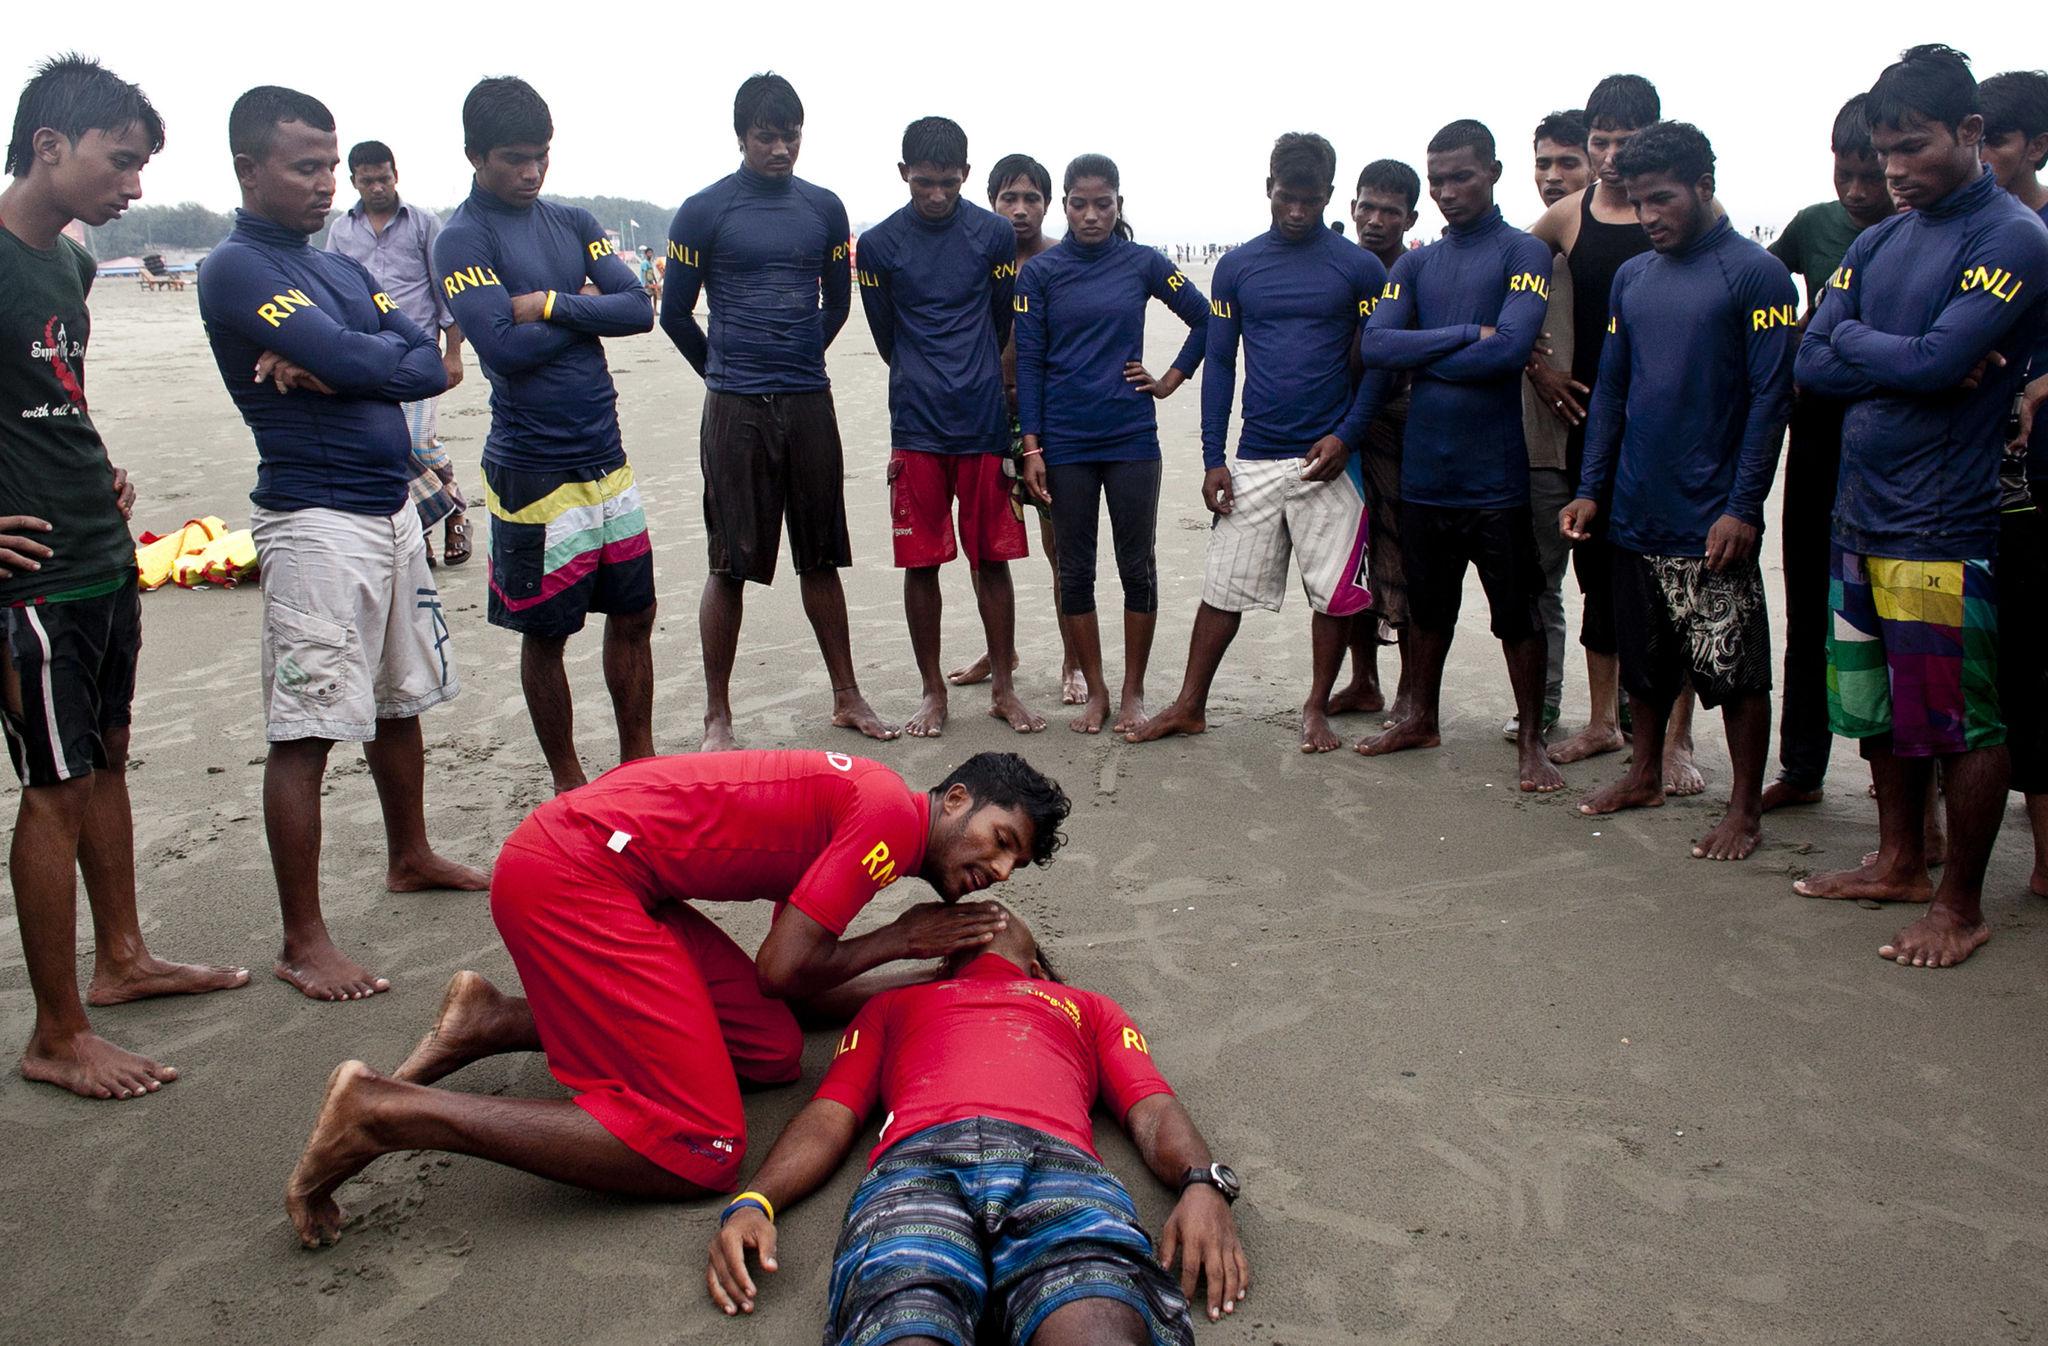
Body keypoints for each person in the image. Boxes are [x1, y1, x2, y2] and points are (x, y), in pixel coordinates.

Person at [283, 750, 1071, 1245]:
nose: (999, 871)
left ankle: (490, 1020)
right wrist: (904, 939)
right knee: (704, 1148)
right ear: (958, 797)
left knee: (768, 1051)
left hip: (616, 870)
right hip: (575, 874)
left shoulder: (880, 807)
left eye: (1016, 867)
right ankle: (385, 1112)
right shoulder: (892, 824)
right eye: (1002, 841)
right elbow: (784, 969)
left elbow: (796, 982)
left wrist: (923, 971)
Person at [198, 86, 487, 1002]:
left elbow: (424, 358)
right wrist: (358, 360)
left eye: (331, 166)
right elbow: (385, 360)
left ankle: (410, 854)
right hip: (316, 521)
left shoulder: (331, 264)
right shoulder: (238, 269)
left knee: (400, 700)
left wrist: (342, 364)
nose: (327, 184)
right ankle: (303, 938)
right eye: (305, 167)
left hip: (389, 511)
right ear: (249, 170)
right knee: (310, 724)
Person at [0, 55, 248, 1100]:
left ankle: (124, 957)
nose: (135, 187)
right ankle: (57, 1031)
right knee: (53, 788)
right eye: (122, 161)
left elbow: (50, 389)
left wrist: (95, 463)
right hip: (34, 582)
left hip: (98, 549)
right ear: (50, 146)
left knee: (104, 758)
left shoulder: (64, 262)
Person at [703, 908, 1249, 1343]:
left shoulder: (1085, 1006)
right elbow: (829, 1115)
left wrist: (1203, 1182)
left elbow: (1151, 1108)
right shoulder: (892, 1006)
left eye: (1002, 920)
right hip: (918, 1167)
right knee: (899, 1326)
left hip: (1053, 1164)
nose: (991, 918)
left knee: (1101, 1321)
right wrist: (757, 1201)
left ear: (1038, 967)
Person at [1791, 45, 2048, 967]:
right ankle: (1900, 859)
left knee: (1961, 719)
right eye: (1882, 151)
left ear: (1972, 133)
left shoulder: (2009, 236)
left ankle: (1959, 904)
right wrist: (1898, 352)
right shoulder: (1878, 239)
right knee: (1878, 706)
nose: (1894, 170)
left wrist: (1864, 341)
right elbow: (1808, 366)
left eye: (1913, 147)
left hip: (1946, 521)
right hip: (1861, 514)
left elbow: (1939, 362)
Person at [1559, 122, 1798, 860]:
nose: (1651, 215)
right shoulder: (1634, 278)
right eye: (1637, 202)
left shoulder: (1755, 275)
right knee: (1644, 660)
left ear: (1703, 186)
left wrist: (1742, 507)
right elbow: (1611, 393)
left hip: (1708, 521)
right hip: (1634, 508)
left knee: (1733, 671)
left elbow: (1769, 400)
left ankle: (1743, 812)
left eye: (1662, 199)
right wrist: (1593, 487)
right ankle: (1643, 772)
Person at [434, 77, 657, 796]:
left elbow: (639, 311)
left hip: (605, 453)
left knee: (635, 610)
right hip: (533, 466)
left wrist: (551, 305)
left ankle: (639, 763)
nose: (531, 172)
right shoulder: (463, 238)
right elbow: (501, 349)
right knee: (548, 631)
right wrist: (586, 310)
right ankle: (570, 783)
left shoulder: (574, 220)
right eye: (513, 159)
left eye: (542, 156)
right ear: (474, 155)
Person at [1128, 133, 1386, 752]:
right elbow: (1220, 363)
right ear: (1267, 187)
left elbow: (1380, 363)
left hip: (1329, 460)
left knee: (1334, 594)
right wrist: (1213, 457)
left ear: (1330, 196)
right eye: (1285, 197)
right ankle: (1190, 704)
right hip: (1256, 455)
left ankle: (1316, 707)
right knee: (1223, 588)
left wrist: (1348, 437)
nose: (1296, 210)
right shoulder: (1237, 267)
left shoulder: (1359, 268)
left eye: (1310, 199)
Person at [663, 73, 894, 750]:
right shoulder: (703, 212)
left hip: (807, 401)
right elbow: (675, 312)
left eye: (790, 135)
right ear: (741, 137)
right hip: (733, 407)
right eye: (766, 136)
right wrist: (725, 371)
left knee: (820, 554)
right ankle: (717, 716)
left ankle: (848, 695)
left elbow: (837, 301)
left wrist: (795, 357)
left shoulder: (824, 209)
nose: (780, 149)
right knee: (729, 562)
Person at [1348, 120, 1563, 793]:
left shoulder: (1524, 254)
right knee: (1426, 609)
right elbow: (1376, 348)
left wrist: (1435, 353)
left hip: (1495, 476)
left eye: (1460, 176)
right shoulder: (1415, 263)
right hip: (1427, 475)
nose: (1446, 191)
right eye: (1436, 179)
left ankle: (1532, 740)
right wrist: (1470, 331)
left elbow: (1512, 352)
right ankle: (1419, 716)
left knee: (1517, 612)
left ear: (1493, 172)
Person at [1531, 74, 1701, 794]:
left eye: (1622, 141)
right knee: (1597, 575)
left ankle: (1677, 740)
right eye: (1598, 139)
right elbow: (1512, 275)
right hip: (1583, 422)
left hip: (1663, 425)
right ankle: (1602, 719)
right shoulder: (1569, 216)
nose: (1606, 154)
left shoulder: (1682, 213)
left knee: (1675, 583)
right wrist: (1538, 363)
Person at [856, 118, 1043, 738]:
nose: (936, 195)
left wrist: (971, 373)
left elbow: (997, 320)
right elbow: (886, 334)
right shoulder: (879, 245)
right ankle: (933, 691)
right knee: (922, 563)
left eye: (947, 182)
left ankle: (1004, 688)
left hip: (983, 421)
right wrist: (925, 371)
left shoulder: (991, 233)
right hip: (916, 422)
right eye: (924, 183)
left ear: (966, 173)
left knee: (993, 560)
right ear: (903, 172)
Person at [1015, 154, 1208, 735]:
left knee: (1137, 567)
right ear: (1065, 204)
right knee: (1075, 571)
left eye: (1104, 204)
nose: (1091, 215)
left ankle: (1132, 693)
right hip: (1065, 442)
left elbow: (1207, 318)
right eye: (1080, 204)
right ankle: (1096, 690)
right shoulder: (1039, 275)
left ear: (1119, 204)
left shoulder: (1144, 263)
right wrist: (1031, 447)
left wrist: (1170, 380)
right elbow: (1028, 361)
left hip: (1130, 438)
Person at [1760, 95, 1893, 813]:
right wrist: (1792, 334)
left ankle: (1909, 785)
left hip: (1894, 447)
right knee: (1809, 609)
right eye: (1847, 173)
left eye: (1873, 174)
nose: (1859, 191)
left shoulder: (1917, 231)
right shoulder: (1816, 225)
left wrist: (1829, 344)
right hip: (1815, 440)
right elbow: (1761, 279)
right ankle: (1803, 768)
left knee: (1890, 613)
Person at [948, 153, 1086, 705]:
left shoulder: (1060, 261)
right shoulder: (978, 260)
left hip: (1051, 423)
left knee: (1062, 549)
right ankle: (1000, 652)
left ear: (1048, 205)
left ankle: (1073, 662)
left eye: (1032, 198)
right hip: (987, 417)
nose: (1020, 209)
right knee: (987, 550)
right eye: (1009, 198)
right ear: (991, 201)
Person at [324, 140, 470, 567]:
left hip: (420, 351)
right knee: (388, 444)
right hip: (366, 355)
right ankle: (421, 529)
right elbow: (331, 290)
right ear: (353, 181)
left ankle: (454, 508)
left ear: (396, 175)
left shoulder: (424, 223)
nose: (376, 187)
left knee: (418, 442)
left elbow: (446, 290)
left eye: (383, 178)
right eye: (366, 180)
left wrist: (453, 352)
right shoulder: (340, 231)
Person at [1981, 69, 2048, 898]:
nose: (1985, 154)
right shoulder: (1942, 231)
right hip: (1958, 494)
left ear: (2036, 145)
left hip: (2033, 495)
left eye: (2000, 139)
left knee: (2036, 669)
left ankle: (2041, 858)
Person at [1327, 159, 1421, 721]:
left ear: (1411, 216)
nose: (1376, 220)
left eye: (1391, 210)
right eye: (1368, 207)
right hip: (1343, 431)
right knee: (1352, 555)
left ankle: (1411, 690)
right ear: (1353, 207)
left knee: (1404, 559)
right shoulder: (1344, 270)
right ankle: (1364, 680)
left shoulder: (1416, 271)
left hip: (1402, 429)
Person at [1514, 109, 1592, 742]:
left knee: (1617, 587)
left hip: (1604, 443)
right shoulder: (1530, 252)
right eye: (1543, 162)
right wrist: (1536, 365)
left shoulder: (1621, 250)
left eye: (1568, 161)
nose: (1553, 175)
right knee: (1542, 582)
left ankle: (1624, 715)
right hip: (1540, 445)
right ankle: (1542, 706)